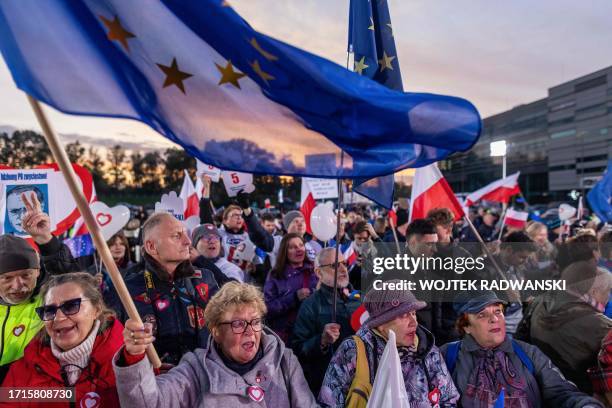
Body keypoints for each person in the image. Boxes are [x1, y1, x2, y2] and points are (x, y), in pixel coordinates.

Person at [113, 282, 318, 407]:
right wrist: (135, 354)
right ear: (216, 331)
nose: (250, 331)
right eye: (238, 323)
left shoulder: (284, 361)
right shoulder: (195, 370)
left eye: (255, 322)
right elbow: (147, 403)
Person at [440, 290, 603, 407]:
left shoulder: (527, 353)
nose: (494, 319)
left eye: (498, 311)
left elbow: (561, 391)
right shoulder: (447, 357)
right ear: (466, 326)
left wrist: (585, 405)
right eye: (482, 315)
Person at [319, 282, 459, 407]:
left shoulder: (427, 349)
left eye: (413, 313)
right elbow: (328, 402)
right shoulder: (353, 351)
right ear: (381, 324)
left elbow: (449, 399)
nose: (414, 322)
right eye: (404, 315)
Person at [2, 272, 124, 407]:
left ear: (96, 309)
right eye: (49, 310)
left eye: (71, 306)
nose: (58, 318)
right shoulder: (26, 367)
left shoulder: (127, 360)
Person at [120, 212, 221, 366]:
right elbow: (120, 349)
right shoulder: (130, 288)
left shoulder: (204, 278)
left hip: (207, 375)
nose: (188, 241)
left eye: (186, 234)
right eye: (176, 236)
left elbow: (225, 328)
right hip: (157, 380)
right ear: (152, 246)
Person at [0, 193, 80, 383]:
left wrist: (46, 241)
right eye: (7, 278)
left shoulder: (51, 301)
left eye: (26, 275)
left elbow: (75, 283)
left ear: (37, 271)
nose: (18, 285)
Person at [530, 260, 612, 393]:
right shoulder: (598, 324)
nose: (609, 296)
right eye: (608, 291)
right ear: (594, 292)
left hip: (545, 380)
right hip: (579, 389)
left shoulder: (542, 301)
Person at [290, 248, 361, 395]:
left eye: (344, 263)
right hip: (328, 387)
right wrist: (321, 341)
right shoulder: (310, 306)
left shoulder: (360, 299)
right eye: (335, 265)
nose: (343, 269)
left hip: (360, 384)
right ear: (318, 273)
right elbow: (297, 350)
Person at [264, 233, 318, 343]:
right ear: (285, 252)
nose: (299, 249)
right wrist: (294, 297)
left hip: (311, 334)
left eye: (301, 245)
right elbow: (267, 308)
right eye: (293, 247)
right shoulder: (275, 275)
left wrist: (313, 293)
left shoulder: (315, 271)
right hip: (285, 337)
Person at [87, 231, 135, 313]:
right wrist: (95, 286)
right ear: (105, 247)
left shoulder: (135, 269)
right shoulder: (93, 271)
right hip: (107, 315)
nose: (118, 247)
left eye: (122, 244)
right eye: (113, 244)